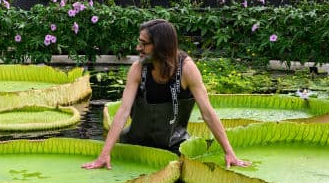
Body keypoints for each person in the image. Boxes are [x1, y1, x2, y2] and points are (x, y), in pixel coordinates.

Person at [83, 19, 249, 170]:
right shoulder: (138, 69)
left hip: (174, 147)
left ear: (161, 46)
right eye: (139, 42)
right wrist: (104, 154)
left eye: (144, 44)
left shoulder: (187, 70)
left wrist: (229, 152)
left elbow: (208, 113)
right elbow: (123, 112)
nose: (138, 48)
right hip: (135, 147)